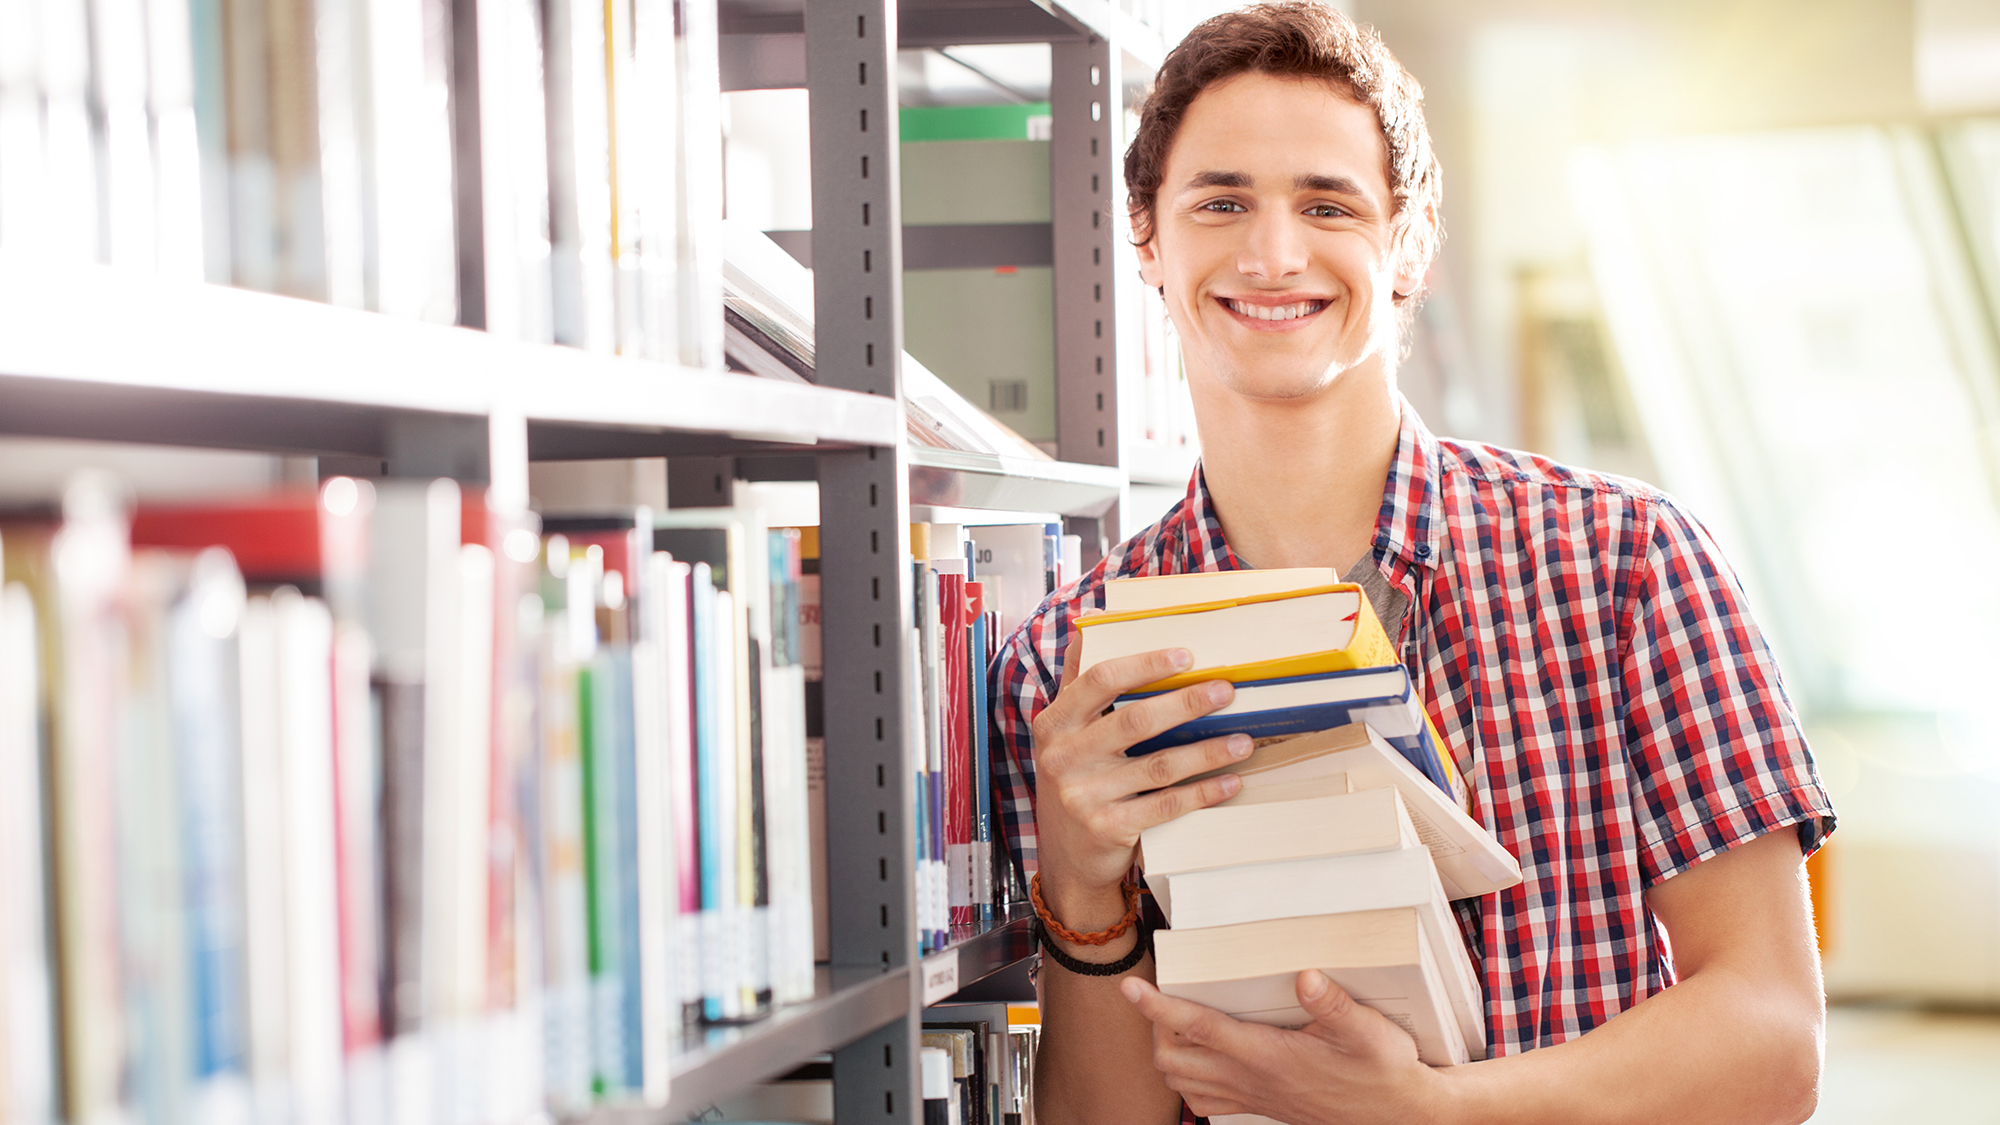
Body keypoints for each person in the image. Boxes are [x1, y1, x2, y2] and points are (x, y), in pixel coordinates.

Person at [987, 4, 1837, 1123]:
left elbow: (1774, 1043)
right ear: (1145, 236)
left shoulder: (1629, 562)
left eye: (1326, 203)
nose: (1272, 253)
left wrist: (1428, 1112)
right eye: (1221, 200)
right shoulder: (1067, 663)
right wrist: (1079, 889)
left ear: (1411, 240)